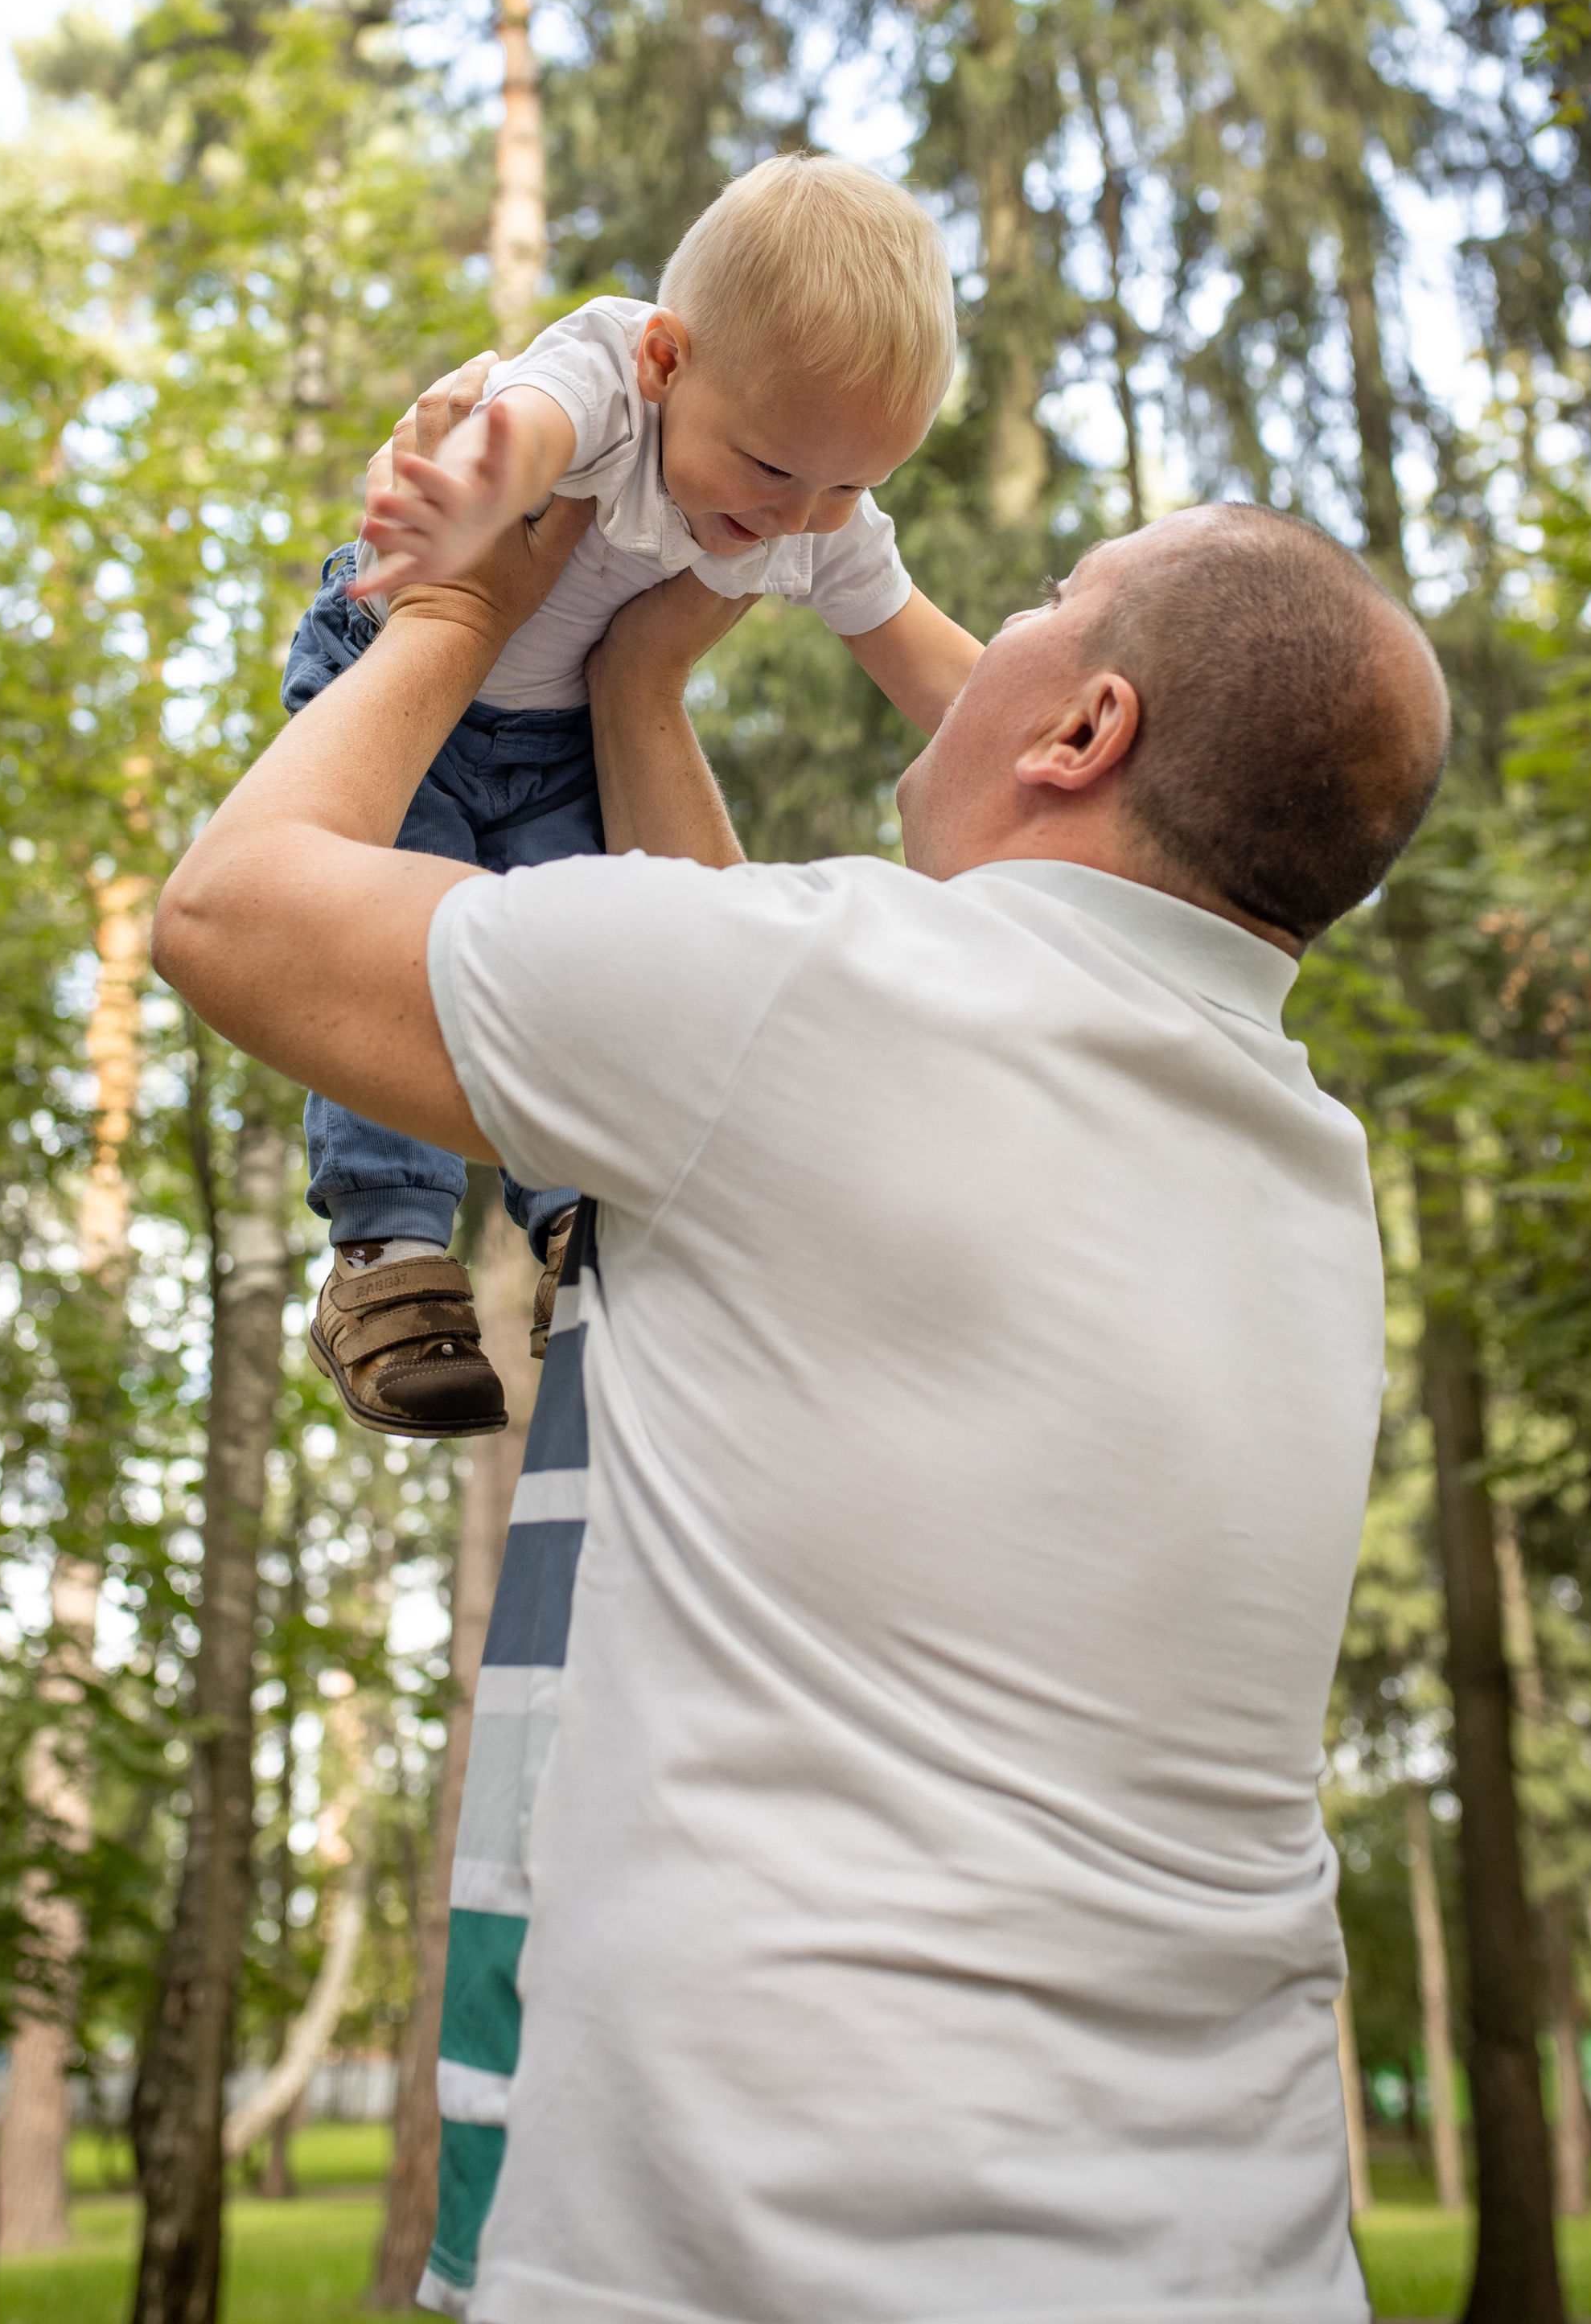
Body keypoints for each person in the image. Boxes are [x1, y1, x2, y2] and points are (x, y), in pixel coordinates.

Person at [152, 488, 1450, 2324]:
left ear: (1086, 728)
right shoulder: (1305, 1175)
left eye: (1047, 596)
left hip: (763, 2253)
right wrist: (637, 692)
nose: (999, 624)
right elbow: (730, 1131)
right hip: (1234, 2259)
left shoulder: (832, 999)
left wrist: (448, 616)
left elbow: (230, 913)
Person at [279, 152, 981, 1441]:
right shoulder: (608, 370)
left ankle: (576, 1223)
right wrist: (468, 497)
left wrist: (1077, 754)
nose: (802, 518)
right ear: (667, 361)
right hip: (404, 692)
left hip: (550, 747)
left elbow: (944, 677)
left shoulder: (816, 512)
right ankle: (387, 1248)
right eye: (773, 468)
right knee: (390, 941)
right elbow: (529, 427)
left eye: (851, 485)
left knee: (590, 959)